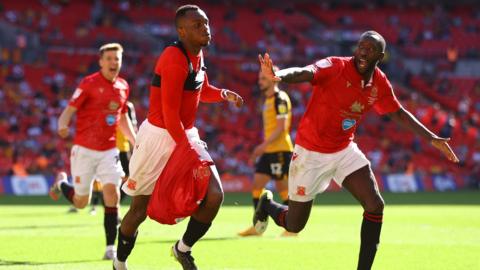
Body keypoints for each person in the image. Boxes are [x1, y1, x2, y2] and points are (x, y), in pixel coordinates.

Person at [253, 31, 459, 270]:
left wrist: (431, 137)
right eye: (361, 46)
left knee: (375, 205)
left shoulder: (379, 82)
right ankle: (267, 204)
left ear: (380, 56)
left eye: (369, 49)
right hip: (310, 153)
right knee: (294, 224)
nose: (362, 52)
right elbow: (305, 72)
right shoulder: (335, 66)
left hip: (343, 150)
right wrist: (278, 75)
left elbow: (398, 113)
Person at [113, 5, 243, 270]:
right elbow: (170, 115)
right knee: (139, 210)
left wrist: (222, 94)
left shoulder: (198, 54)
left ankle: (182, 249)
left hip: (185, 134)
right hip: (159, 137)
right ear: (181, 31)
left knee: (214, 196)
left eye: (206, 23)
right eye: (197, 25)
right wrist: (188, 151)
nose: (205, 28)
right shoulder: (174, 57)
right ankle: (119, 262)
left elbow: (201, 88)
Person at [49, 43, 136, 260]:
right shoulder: (88, 83)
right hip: (85, 150)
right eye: (109, 59)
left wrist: (136, 141)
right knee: (81, 203)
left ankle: (110, 248)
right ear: (101, 62)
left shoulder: (124, 86)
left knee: (112, 195)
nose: (113, 63)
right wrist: (62, 123)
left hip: (109, 150)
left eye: (117, 59)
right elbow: (69, 109)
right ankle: (61, 183)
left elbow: (123, 117)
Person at [238, 67, 295, 237]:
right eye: (260, 78)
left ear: (273, 79)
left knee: (282, 187)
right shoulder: (268, 100)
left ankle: (292, 227)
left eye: (263, 78)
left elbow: (282, 127)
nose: (259, 81)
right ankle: (258, 226)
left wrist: (262, 146)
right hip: (269, 150)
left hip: (280, 150)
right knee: (256, 186)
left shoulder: (280, 99)